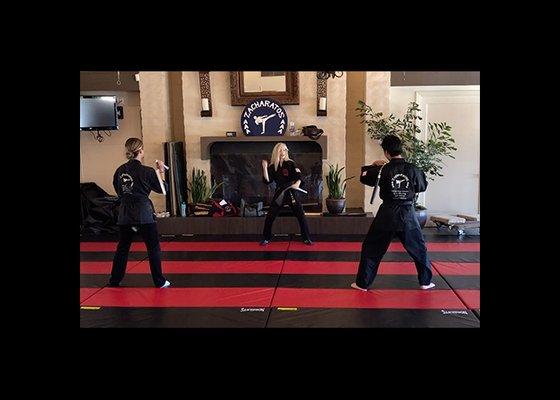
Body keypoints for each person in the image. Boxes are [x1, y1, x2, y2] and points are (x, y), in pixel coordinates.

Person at [351, 135, 435, 291]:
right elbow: (422, 186)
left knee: (372, 249)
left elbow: (364, 178)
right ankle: (425, 282)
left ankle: (362, 284)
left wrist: (372, 166)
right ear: (400, 149)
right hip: (407, 214)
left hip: (387, 215)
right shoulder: (413, 169)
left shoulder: (382, 169)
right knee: (419, 248)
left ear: (386, 152)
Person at [108, 138, 171, 288]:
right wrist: (161, 171)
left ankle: (114, 280)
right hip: (144, 215)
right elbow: (164, 190)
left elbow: (118, 191)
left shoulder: (120, 170)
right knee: (153, 248)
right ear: (141, 150)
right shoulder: (148, 171)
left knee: (123, 248)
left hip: (125, 215)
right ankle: (159, 282)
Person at [260, 143, 313, 246]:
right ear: (276, 152)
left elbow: (298, 176)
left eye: (285, 150)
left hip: (291, 192)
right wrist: (265, 168)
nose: (283, 152)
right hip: (280, 193)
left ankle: (306, 238)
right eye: (281, 150)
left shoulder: (290, 163)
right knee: (270, 216)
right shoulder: (272, 167)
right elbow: (267, 181)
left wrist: (297, 184)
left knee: (301, 215)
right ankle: (266, 238)